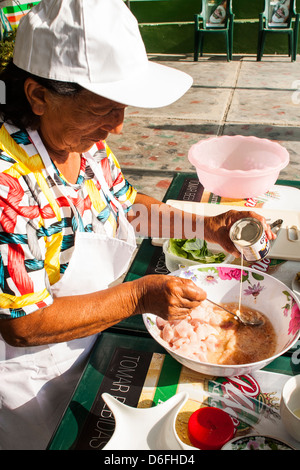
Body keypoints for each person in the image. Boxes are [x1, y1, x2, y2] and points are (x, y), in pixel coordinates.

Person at [0, 0, 275, 450]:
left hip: (96, 346)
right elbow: (23, 325)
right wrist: (138, 295)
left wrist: (209, 226)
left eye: (122, 107)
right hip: (34, 383)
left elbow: (127, 206)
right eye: (102, 109)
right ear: (38, 95)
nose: (119, 126)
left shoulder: (82, 143)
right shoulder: (8, 183)